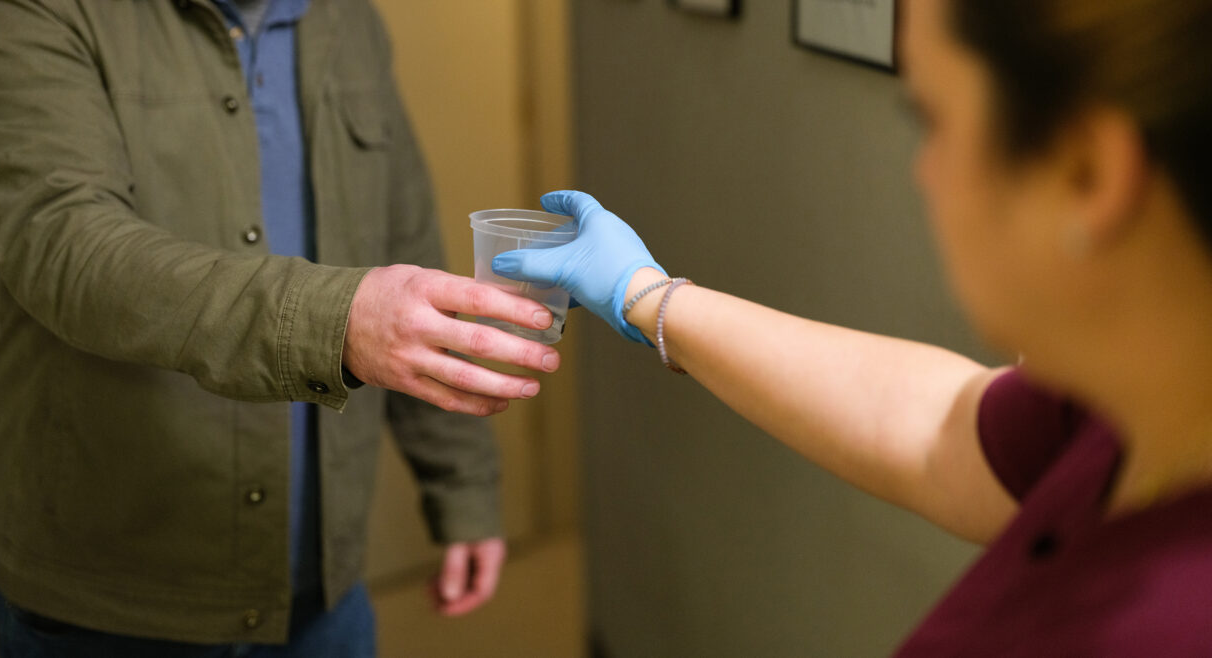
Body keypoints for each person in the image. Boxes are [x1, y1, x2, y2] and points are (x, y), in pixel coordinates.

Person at [494, 0, 1212, 653]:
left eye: (932, 120)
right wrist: (644, 294)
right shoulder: (1131, 407)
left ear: (1086, 172)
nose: (922, 173)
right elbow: (940, 428)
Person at [0, 0, 562, 655]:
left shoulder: (347, 18)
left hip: (323, 593)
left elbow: (404, 235)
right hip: (114, 602)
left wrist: (461, 483)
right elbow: (68, 248)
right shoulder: (21, 10)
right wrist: (336, 321)